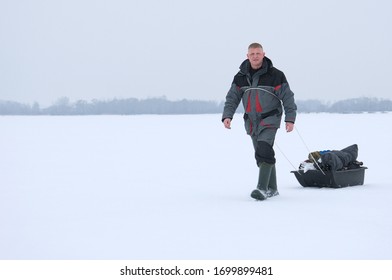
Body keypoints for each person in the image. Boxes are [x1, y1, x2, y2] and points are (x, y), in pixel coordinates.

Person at [222, 42, 297, 201]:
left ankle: (262, 188)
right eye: (252, 54)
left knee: (264, 149)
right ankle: (273, 188)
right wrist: (227, 116)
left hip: (270, 118)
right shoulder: (240, 77)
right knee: (261, 154)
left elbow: (288, 98)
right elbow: (232, 98)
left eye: (258, 53)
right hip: (251, 121)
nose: (255, 56)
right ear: (247, 56)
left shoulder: (276, 75)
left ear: (263, 54)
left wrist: (290, 119)